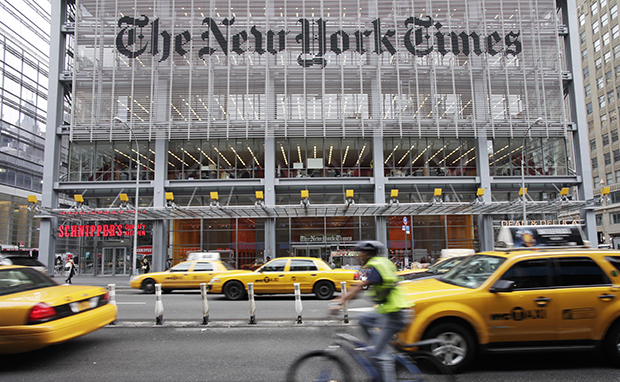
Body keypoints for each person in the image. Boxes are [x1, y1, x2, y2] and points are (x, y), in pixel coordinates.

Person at [330, 240, 409, 382]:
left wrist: (342, 300)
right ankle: (377, 345)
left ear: (367, 253)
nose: (358, 255)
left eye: (360, 252)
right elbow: (362, 285)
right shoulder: (383, 262)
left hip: (393, 312)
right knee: (364, 319)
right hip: (388, 309)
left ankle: (381, 357)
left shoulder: (375, 266)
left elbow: (362, 286)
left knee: (379, 354)